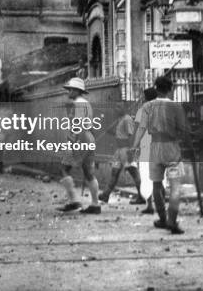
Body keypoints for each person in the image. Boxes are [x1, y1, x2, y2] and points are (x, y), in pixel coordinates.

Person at [133, 76, 188, 234]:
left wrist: (134, 147)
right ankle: (172, 221)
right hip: (171, 148)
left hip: (154, 148)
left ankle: (162, 219)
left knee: (157, 185)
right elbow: (183, 130)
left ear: (156, 89)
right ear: (170, 89)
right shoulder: (176, 107)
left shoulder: (147, 106)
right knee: (175, 187)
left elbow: (141, 129)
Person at [58, 77, 101, 214]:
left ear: (77, 91)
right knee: (89, 173)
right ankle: (95, 204)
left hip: (79, 139)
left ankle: (74, 201)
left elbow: (77, 125)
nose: (68, 92)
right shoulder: (86, 104)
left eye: (70, 89)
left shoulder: (79, 104)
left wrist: (72, 142)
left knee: (65, 168)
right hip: (88, 138)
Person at [98, 103, 146, 205]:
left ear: (124, 108)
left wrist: (131, 150)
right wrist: (106, 128)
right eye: (116, 106)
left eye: (119, 107)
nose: (117, 109)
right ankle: (106, 195)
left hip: (126, 150)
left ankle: (142, 196)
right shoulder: (120, 119)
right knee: (114, 173)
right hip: (119, 151)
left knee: (134, 173)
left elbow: (131, 135)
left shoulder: (127, 119)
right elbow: (118, 133)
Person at [133, 87, 158, 214]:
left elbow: (139, 129)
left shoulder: (142, 110)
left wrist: (135, 146)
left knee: (146, 176)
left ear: (146, 97)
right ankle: (159, 205)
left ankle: (150, 205)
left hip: (145, 147)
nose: (142, 98)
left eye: (143, 96)